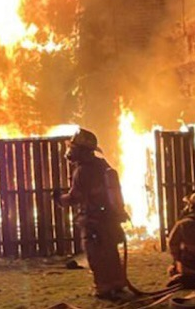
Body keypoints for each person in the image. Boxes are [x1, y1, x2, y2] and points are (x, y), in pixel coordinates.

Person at [54, 128, 131, 300]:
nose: (71, 151)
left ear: (81, 151)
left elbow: (75, 197)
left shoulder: (82, 171)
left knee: (95, 255)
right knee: (111, 252)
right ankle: (117, 285)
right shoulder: (103, 165)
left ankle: (103, 289)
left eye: (74, 148)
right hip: (109, 219)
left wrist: (60, 199)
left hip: (93, 220)